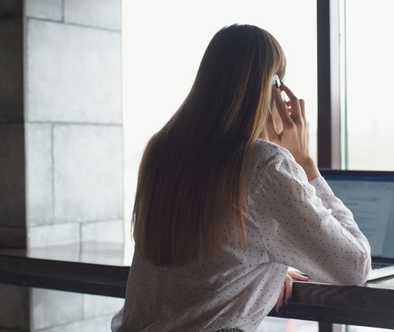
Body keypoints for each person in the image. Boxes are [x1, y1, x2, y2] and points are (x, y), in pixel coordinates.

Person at [111, 24, 371, 332]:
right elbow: (354, 266)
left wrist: (262, 271)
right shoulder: (263, 164)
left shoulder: (162, 150)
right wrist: (305, 164)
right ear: (270, 89)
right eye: (279, 82)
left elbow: (202, 263)